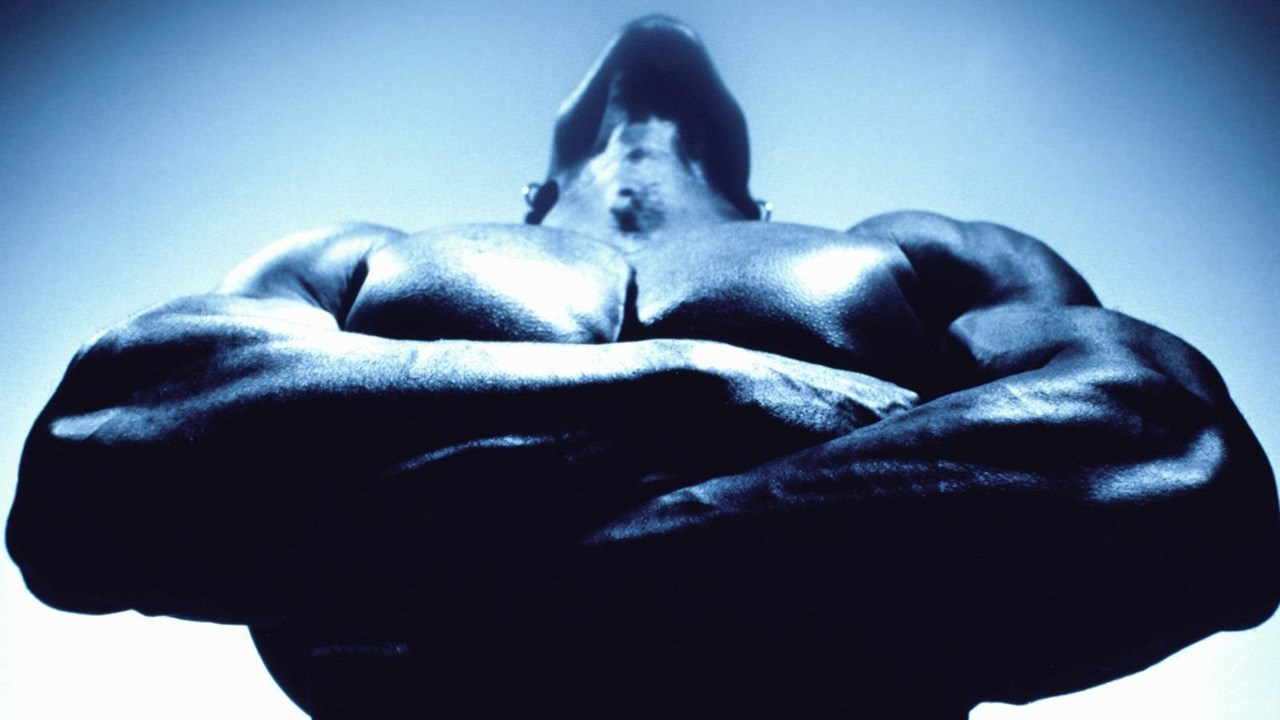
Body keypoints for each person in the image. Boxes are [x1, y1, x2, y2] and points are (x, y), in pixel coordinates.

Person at [7, 14, 1279, 720]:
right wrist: (714, 390)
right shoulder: (361, 253)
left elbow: (1173, 462)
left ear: (761, 198)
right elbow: (99, 459)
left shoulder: (907, 252)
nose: (646, 48)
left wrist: (452, 548)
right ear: (529, 188)